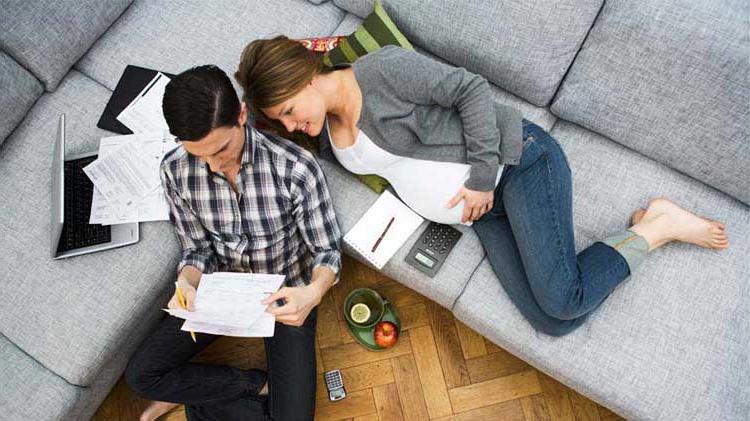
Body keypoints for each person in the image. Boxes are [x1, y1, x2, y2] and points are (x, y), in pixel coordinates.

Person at [234, 36, 729, 337]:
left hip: (517, 164)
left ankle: (660, 227)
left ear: (301, 79)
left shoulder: (380, 70)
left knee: (563, 300)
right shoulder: (322, 129)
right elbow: (271, 149)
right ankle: (646, 227)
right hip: (483, 213)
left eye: (288, 112)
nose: (292, 125)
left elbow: (471, 89)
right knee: (553, 322)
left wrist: (478, 180)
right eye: (282, 120)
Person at [125, 64, 342, 421]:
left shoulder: (295, 168)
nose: (211, 166)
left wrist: (313, 293)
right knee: (142, 375)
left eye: (221, 148)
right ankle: (251, 385)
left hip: (285, 293)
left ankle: (201, 397)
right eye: (199, 154)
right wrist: (186, 284)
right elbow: (196, 248)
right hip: (220, 293)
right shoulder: (175, 169)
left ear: (242, 115)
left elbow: (326, 252)